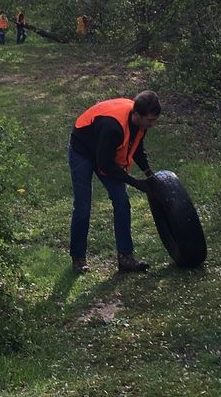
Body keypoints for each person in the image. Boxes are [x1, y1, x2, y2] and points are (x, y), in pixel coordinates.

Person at [68, 90, 161, 274]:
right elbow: (106, 165)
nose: (153, 124)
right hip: (82, 149)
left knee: (122, 202)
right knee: (83, 206)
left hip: (104, 150)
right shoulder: (113, 127)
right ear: (136, 115)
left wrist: (150, 174)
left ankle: (125, 257)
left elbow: (136, 148)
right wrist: (136, 182)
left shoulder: (139, 123)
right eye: (150, 120)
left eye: (154, 120)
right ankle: (78, 258)